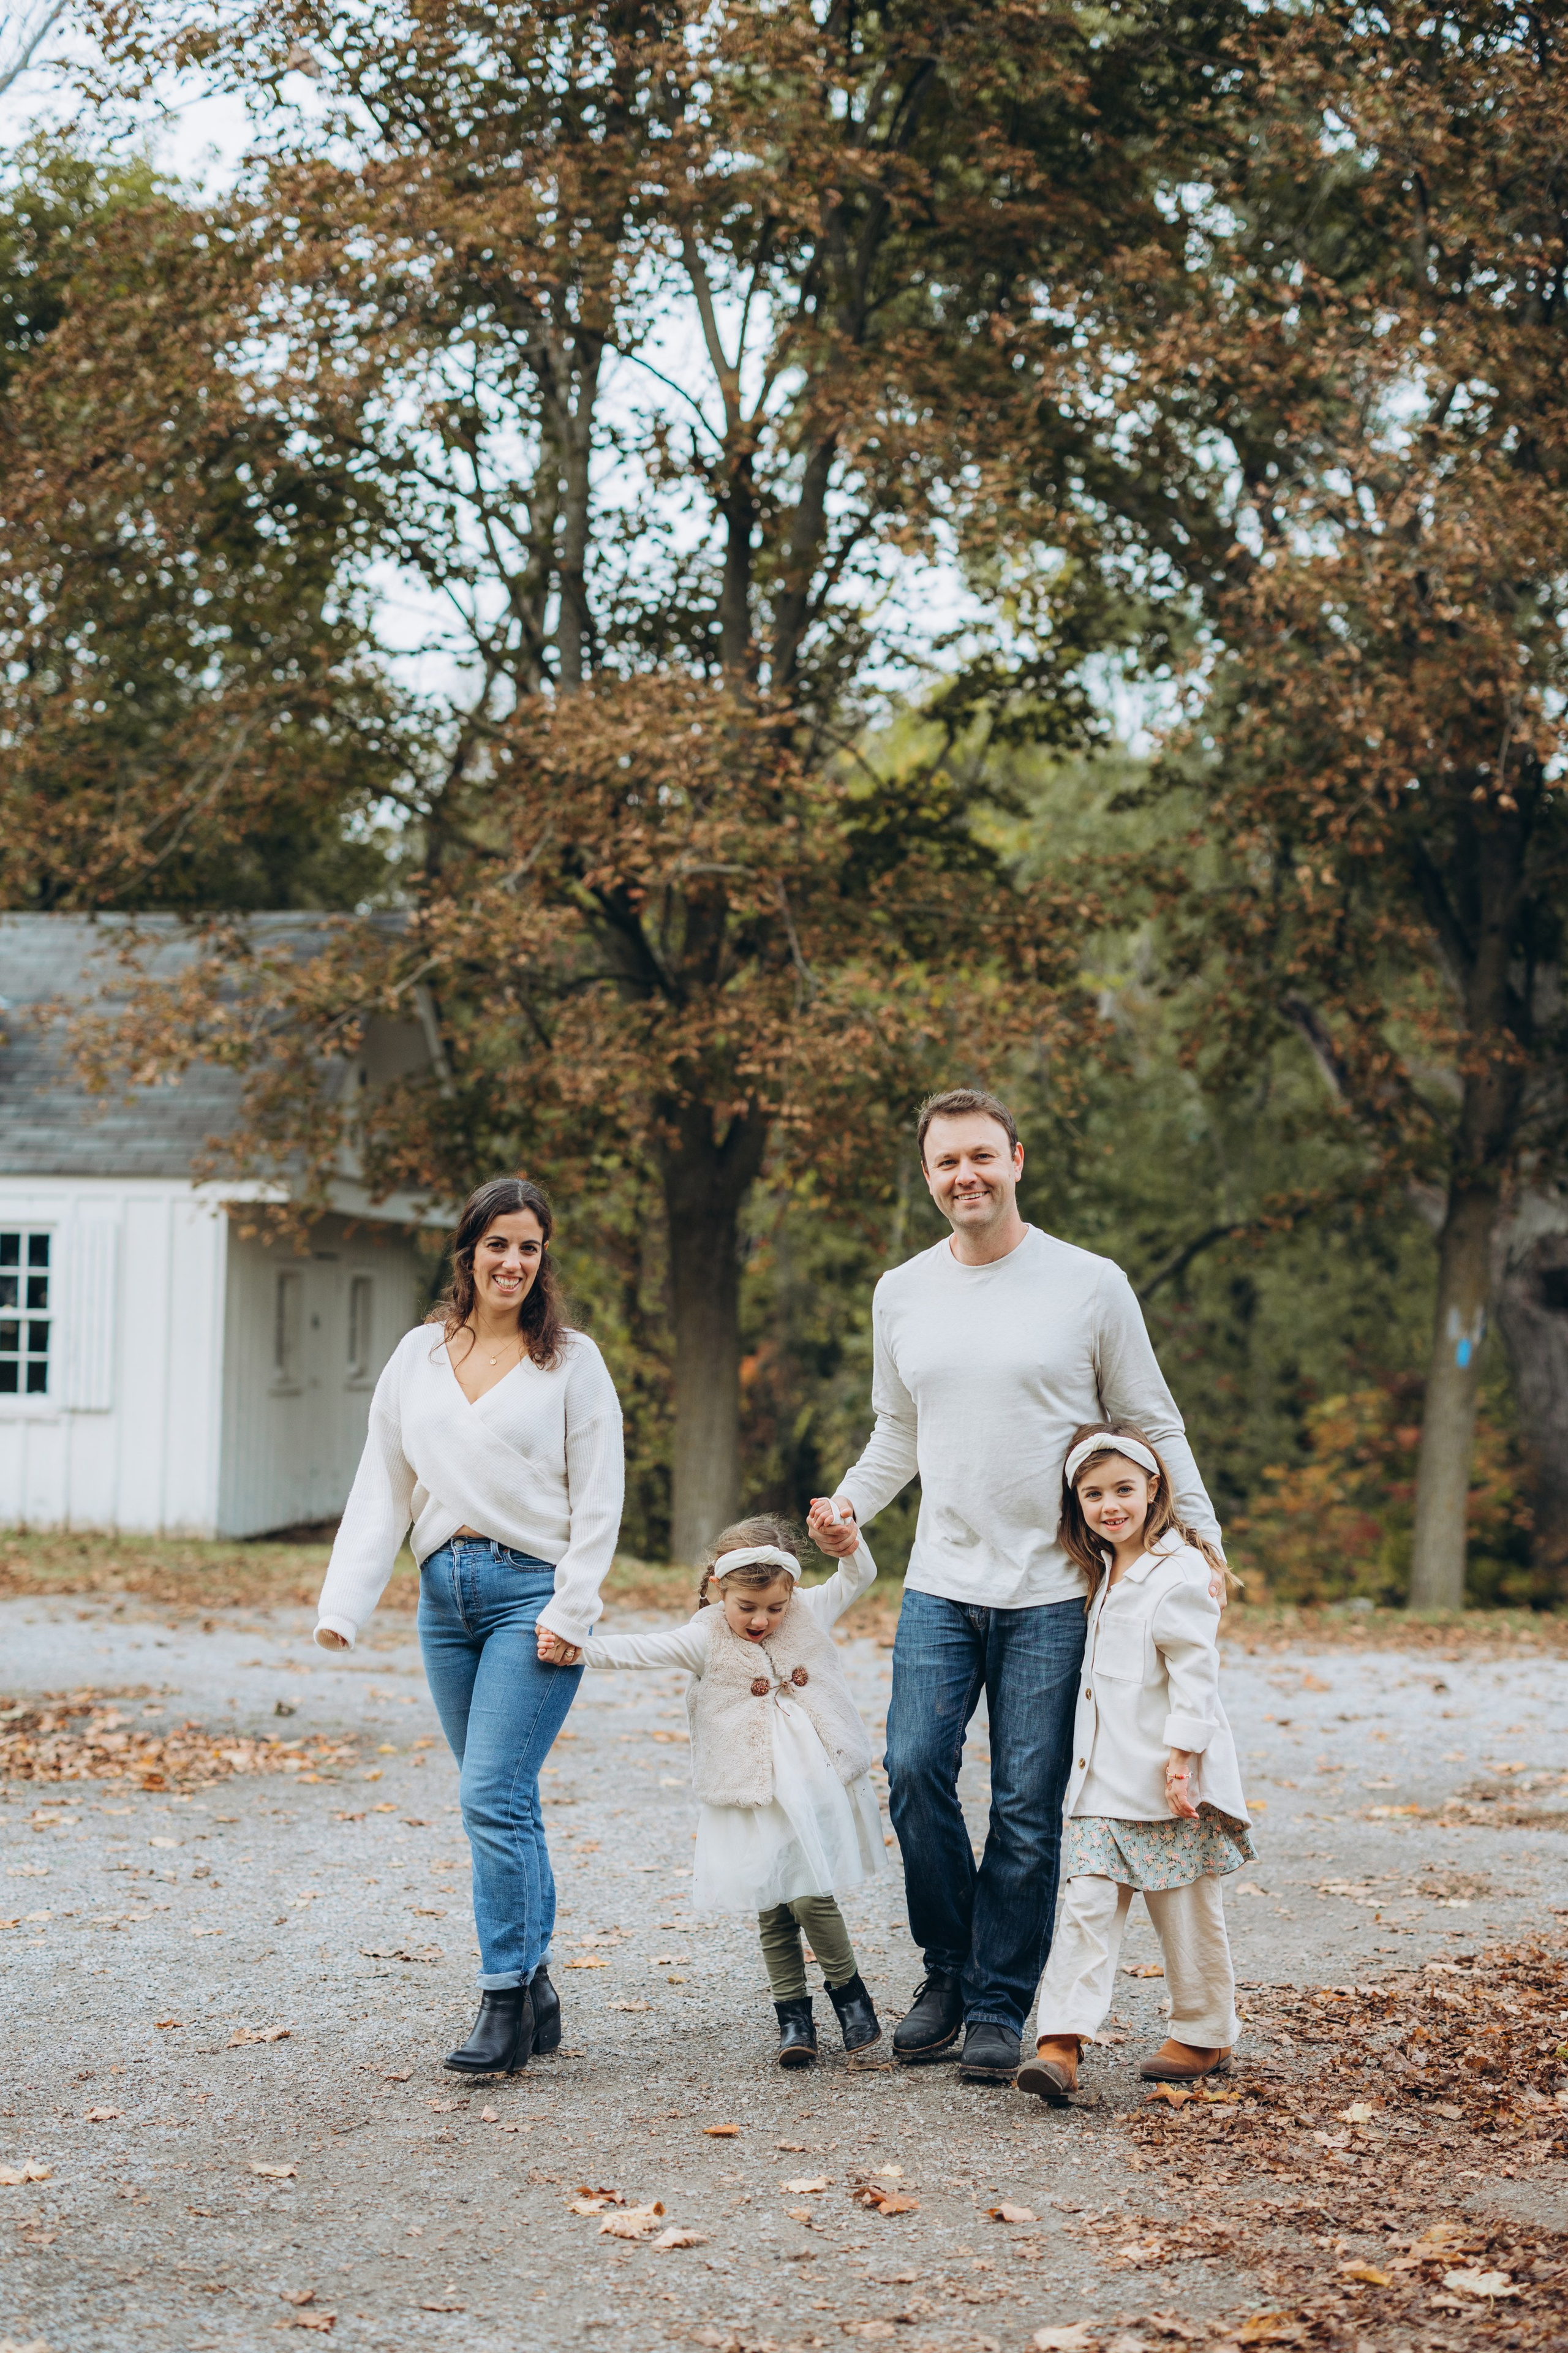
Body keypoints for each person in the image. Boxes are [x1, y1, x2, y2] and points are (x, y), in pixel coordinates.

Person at [809, 1086, 1225, 2085]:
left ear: (1017, 1161)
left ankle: (1001, 2003)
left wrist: (1202, 1538)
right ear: (928, 1177)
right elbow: (898, 1431)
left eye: (983, 1157)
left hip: (1053, 1589)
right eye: (948, 1162)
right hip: (941, 1583)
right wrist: (850, 1504)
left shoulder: (1089, 1285)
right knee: (913, 1770)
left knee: (1030, 1806)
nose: (967, 1175)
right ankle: (949, 1972)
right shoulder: (901, 1292)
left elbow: (1151, 1421)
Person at [313, 1174, 624, 2076]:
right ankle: (537, 1988)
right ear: (468, 1253)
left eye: (530, 1246)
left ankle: (502, 1999)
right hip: (442, 1601)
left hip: (533, 1596)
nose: (514, 1262)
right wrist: (346, 1603)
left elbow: (600, 1501)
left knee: (490, 1794)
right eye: (498, 1244)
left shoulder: (572, 1362)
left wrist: (576, 1609)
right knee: (505, 1799)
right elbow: (383, 1482)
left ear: (543, 1258)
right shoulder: (417, 1356)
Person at [551, 1513, 884, 2068]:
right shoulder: (703, 1635)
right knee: (772, 1899)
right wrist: (576, 1646)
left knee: (808, 1892)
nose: (761, 1620)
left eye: (775, 1607)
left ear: (792, 1592)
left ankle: (853, 2000)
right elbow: (641, 1648)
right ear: (717, 1589)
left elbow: (859, 1575)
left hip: (812, 1783)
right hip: (750, 1788)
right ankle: (793, 2016)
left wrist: (850, 1543)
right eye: (747, 1606)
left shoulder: (809, 1612)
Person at [1018, 1421, 1251, 2101]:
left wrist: (1182, 1756)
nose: (1109, 1504)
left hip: (1162, 1779)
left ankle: (1207, 2031)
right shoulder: (1096, 1567)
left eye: (1123, 1488)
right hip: (1098, 1780)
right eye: (1092, 1494)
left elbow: (1195, 1670)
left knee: (1184, 1910)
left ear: (1154, 1489)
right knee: (1085, 1907)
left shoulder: (1177, 1571)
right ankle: (1059, 2043)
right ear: (1077, 1503)